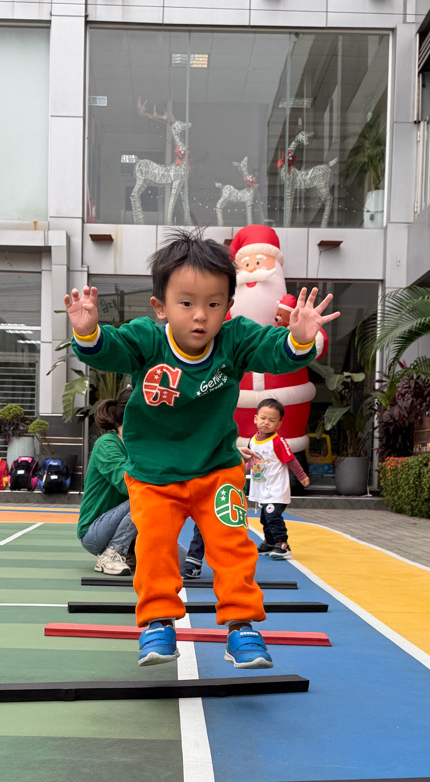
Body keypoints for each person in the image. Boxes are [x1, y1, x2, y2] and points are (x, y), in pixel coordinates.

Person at [66, 229, 339, 670]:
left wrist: (299, 338)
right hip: (154, 475)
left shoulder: (235, 339)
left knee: (232, 546)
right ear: (160, 306)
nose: (200, 316)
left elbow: (275, 351)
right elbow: (110, 350)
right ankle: (158, 622)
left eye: (213, 305)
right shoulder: (148, 340)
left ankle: (241, 627)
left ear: (228, 307)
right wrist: (88, 331)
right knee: (154, 547)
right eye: (186, 303)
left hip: (216, 471)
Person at [77, 393, 136, 576]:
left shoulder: (140, 445)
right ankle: (113, 553)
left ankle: (130, 553)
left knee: (181, 564)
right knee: (146, 497)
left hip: (133, 529)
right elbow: (126, 484)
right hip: (95, 533)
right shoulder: (107, 445)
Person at [246, 398, 309, 559]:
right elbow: (250, 462)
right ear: (256, 418)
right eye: (263, 418)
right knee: (264, 517)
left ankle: (282, 543)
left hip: (276, 489)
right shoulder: (252, 441)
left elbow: (291, 460)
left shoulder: (278, 441)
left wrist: (301, 476)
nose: (266, 422)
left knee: (272, 516)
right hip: (261, 488)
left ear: (279, 424)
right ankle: (269, 542)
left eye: (272, 420)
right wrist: (240, 472)